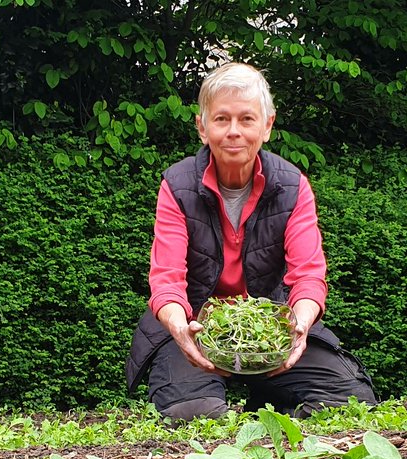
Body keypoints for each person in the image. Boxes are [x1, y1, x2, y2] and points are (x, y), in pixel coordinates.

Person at [125, 62, 377, 420]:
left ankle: (267, 398)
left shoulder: (293, 186)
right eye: (221, 119)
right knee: (193, 413)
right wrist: (180, 329)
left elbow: (308, 277)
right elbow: (166, 280)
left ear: (267, 126)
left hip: (272, 328)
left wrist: (300, 326)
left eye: (246, 119)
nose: (233, 132)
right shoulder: (177, 186)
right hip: (196, 326)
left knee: (350, 398)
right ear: (202, 127)